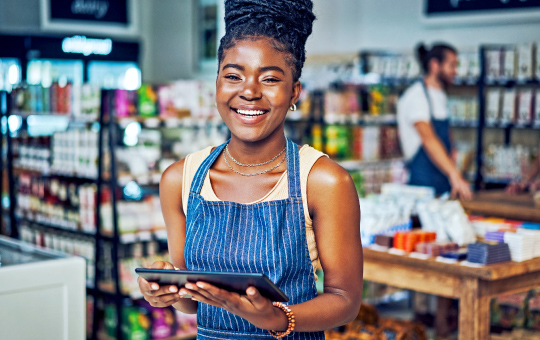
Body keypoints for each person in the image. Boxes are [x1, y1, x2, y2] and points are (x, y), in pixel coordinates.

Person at [137, 1, 363, 339]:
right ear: (216, 84)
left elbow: (346, 300)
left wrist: (275, 318)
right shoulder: (180, 179)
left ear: (293, 92)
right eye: (233, 76)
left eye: (270, 78)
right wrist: (166, 292)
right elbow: (193, 302)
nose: (249, 92)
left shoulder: (322, 181)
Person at [397, 43, 473, 200]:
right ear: (434, 65)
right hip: (423, 183)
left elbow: (446, 135)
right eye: (451, 65)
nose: (455, 71)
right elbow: (429, 139)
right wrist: (454, 174)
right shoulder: (417, 96)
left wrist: (454, 160)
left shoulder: (440, 95)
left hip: (443, 179)